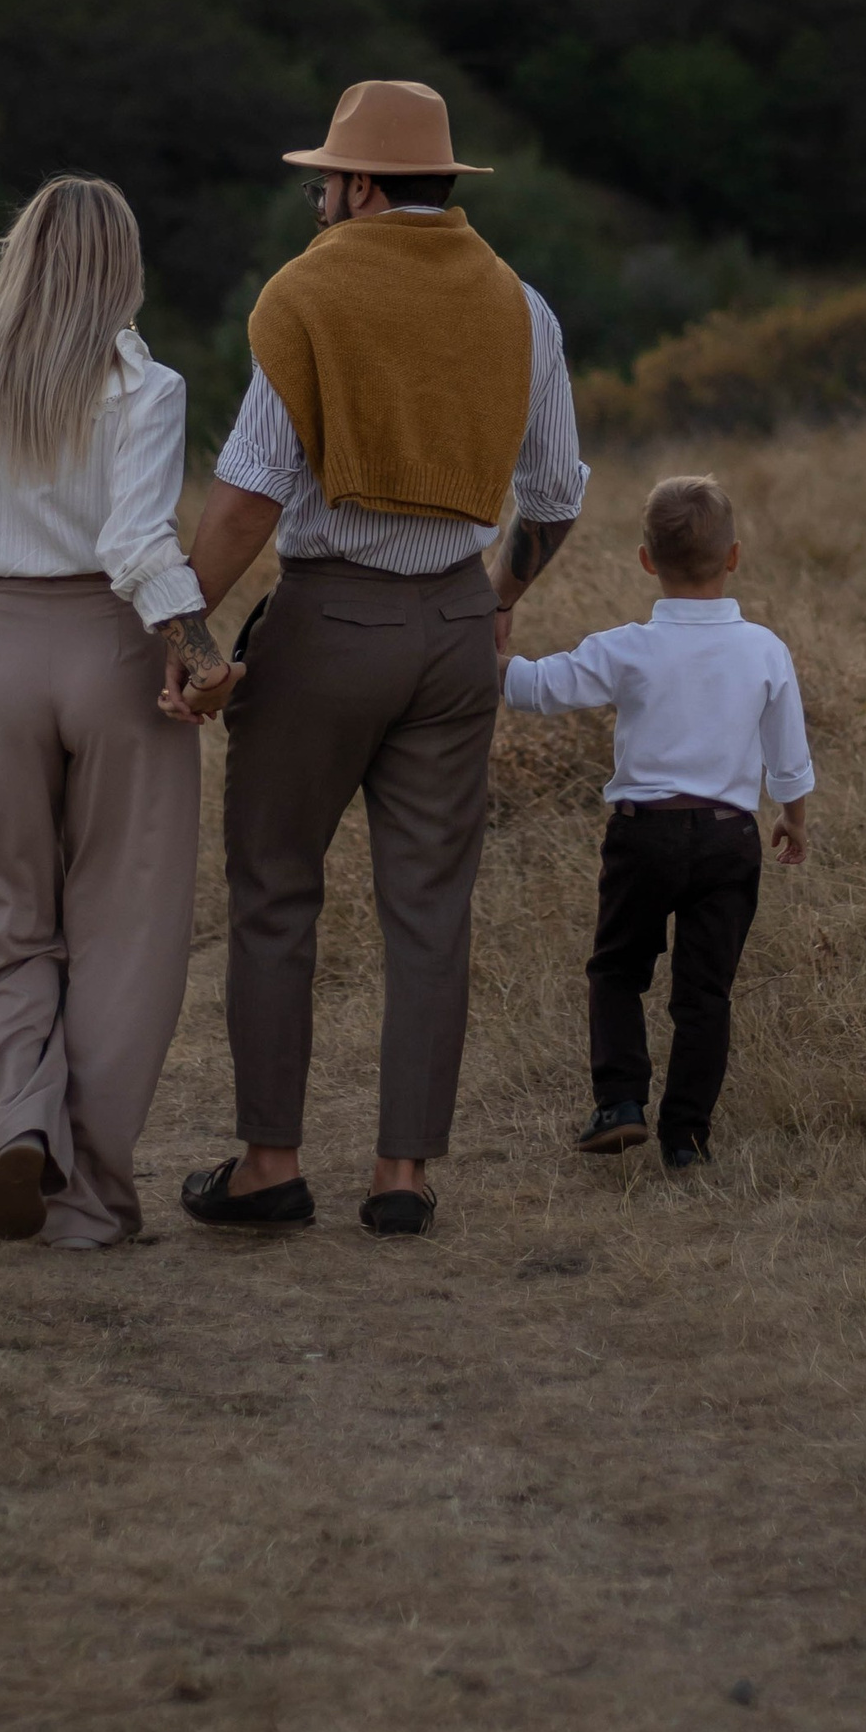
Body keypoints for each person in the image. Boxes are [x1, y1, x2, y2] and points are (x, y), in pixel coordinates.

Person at [174, 78, 587, 1240]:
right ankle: (402, 1173)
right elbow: (556, 492)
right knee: (430, 909)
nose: (316, 198)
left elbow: (249, 498)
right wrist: (497, 599)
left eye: (325, 180)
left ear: (360, 185)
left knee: (275, 891)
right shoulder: (521, 303)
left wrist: (180, 620)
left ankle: (269, 1161)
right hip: (454, 627)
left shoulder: (307, 293)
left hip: (327, 625)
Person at [0, 175, 231, 1249]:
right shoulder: (147, 385)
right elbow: (136, 543)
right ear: (122, 267)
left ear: (21, 256)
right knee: (125, 929)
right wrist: (201, 652)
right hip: (115, 651)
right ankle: (88, 1198)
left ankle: (11, 1124)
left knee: (4, 910)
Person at [499, 472, 812, 1171]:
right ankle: (687, 1138)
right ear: (734, 557)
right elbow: (789, 756)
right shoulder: (765, 649)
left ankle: (619, 1103)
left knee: (617, 968)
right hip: (730, 838)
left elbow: (540, 688)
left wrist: (485, 659)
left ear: (646, 561)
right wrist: (793, 818)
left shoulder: (627, 647)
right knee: (705, 994)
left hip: (643, 834)